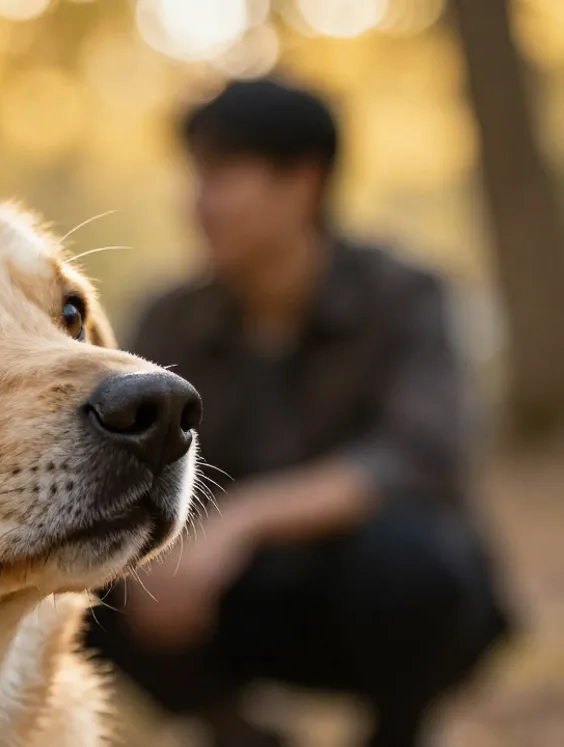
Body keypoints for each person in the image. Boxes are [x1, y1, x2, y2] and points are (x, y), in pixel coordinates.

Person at [85, 79, 510, 747]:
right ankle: (237, 733)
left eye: (221, 176)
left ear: (302, 183)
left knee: (412, 562)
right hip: (228, 606)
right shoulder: (171, 317)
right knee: (78, 567)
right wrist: (145, 547)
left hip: (376, 597)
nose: (198, 203)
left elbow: (420, 453)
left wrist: (243, 521)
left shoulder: (406, 295)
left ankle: (398, 734)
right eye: (195, 177)